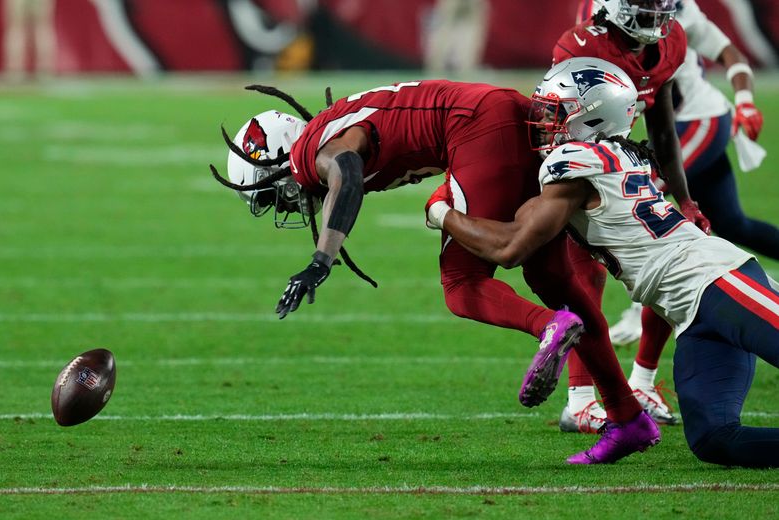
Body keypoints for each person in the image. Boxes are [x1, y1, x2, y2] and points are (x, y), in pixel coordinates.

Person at [210, 79, 658, 464]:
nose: (282, 203)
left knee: (461, 284)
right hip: (498, 113)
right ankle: (627, 418)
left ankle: (550, 328)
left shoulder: (310, 153)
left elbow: (345, 168)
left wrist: (320, 259)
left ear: (279, 159)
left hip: (477, 128)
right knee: (557, 283)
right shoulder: (329, 124)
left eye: (272, 194)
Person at [426, 56, 779, 468]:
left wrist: (443, 214)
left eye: (554, 112)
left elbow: (511, 248)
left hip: (716, 279)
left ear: (592, 120)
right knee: (713, 439)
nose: (540, 121)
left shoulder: (573, 162)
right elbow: (522, 222)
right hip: (688, 311)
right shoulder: (612, 156)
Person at [579, 0, 779, 401]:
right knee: (732, 223)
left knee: (650, 217)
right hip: (658, 130)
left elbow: (730, 54)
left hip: (695, 122)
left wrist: (743, 100)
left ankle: (642, 370)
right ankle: (642, 377)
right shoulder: (599, 15)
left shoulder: (676, 12)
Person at [550, 0, 712, 432]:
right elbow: (561, 120)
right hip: (578, 160)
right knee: (586, 277)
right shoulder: (583, 44)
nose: (657, 11)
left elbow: (662, 125)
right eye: (645, 3)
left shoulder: (671, 41)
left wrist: (685, 198)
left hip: (626, 160)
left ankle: (642, 382)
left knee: (670, 262)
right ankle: (580, 401)